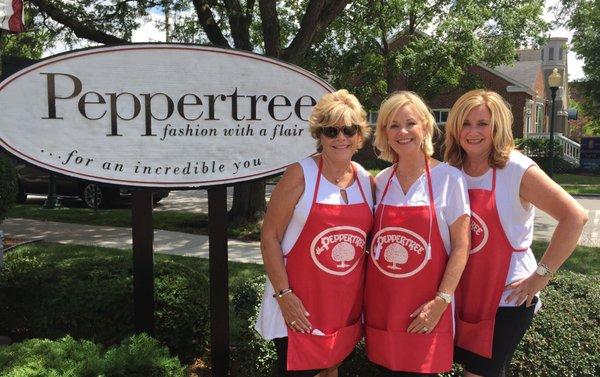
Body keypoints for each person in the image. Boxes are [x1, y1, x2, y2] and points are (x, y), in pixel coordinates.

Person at [444, 89, 589, 377]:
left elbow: (575, 217)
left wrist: (541, 276)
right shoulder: (452, 170)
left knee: (480, 373)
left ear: (497, 127)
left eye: (482, 124)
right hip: (464, 291)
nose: (472, 132)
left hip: (507, 296)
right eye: (465, 123)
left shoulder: (516, 168)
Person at [255, 89, 375, 377]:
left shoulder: (366, 181)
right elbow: (269, 236)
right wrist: (284, 295)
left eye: (349, 130)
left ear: (360, 137)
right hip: (298, 307)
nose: (340, 138)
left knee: (330, 370)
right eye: (331, 131)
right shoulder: (301, 174)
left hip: (342, 306)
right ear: (319, 135)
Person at [364, 91, 471, 376]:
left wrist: (441, 301)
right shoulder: (380, 181)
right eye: (393, 125)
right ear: (384, 133)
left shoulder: (450, 178)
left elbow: (462, 246)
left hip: (426, 309)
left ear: (425, 126)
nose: (402, 132)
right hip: (383, 308)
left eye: (410, 123)